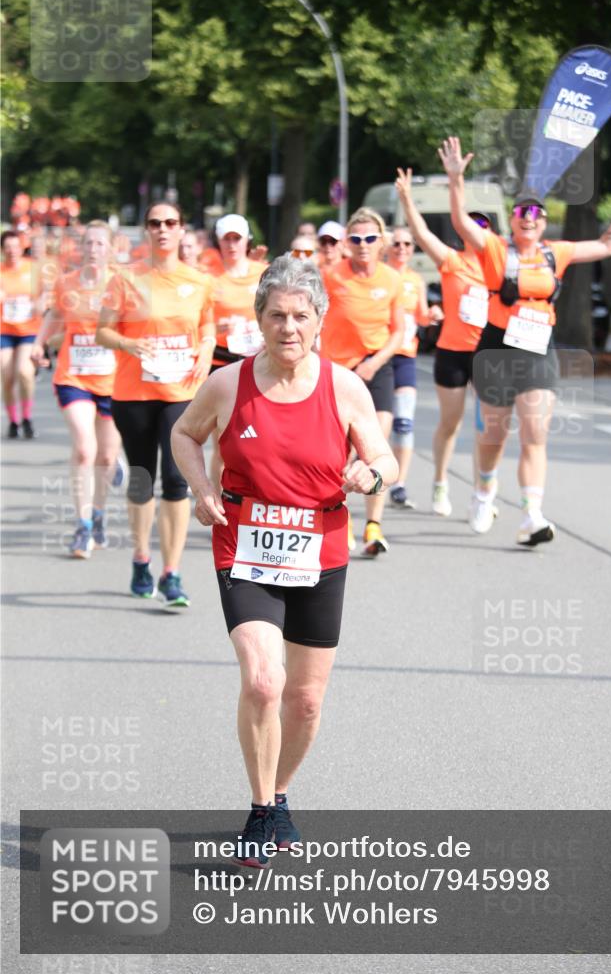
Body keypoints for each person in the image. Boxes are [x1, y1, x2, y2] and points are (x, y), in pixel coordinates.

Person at [171, 254, 398, 865]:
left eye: (301, 315)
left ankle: (280, 793)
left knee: (305, 699)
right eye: (277, 315)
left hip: (320, 548)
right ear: (258, 320)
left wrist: (369, 470)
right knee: (265, 680)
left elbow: (386, 460)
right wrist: (203, 488)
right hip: (244, 544)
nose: (289, 327)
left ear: (320, 320)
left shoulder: (344, 386)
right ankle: (261, 810)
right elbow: (185, 434)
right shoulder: (229, 383)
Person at [441, 135, 611, 545]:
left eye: (535, 212)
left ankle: (532, 514)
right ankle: (484, 491)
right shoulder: (495, 249)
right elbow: (462, 222)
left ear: (543, 219)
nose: (528, 218)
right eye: (521, 212)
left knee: (535, 432)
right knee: (493, 435)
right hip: (497, 347)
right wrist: (455, 179)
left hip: (538, 350)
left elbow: (607, 245)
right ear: (512, 219)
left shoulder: (557, 252)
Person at [96, 201, 217, 605]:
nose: (162, 229)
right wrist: (130, 343)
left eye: (170, 222)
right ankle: (141, 557)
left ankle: (172, 573)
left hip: (180, 395)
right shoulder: (125, 279)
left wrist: (206, 347)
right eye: (154, 223)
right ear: (146, 231)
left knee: (177, 481)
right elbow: (102, 333)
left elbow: (207, 324)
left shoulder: (198, 281)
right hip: (134, 394)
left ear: (182, 229)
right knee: (142, 479)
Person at [395, 167, 492, 516]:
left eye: (484, 226)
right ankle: (440, 483)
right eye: (471, 224)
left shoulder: (499, 266)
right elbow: (420, 234)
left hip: (488, 354)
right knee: (451, 423)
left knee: (486, 426)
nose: (477, 230)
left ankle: (484, 492)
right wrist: (407, 198)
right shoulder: (451, 261)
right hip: (452, 351)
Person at [31, 221, 121, 557]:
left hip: (114, 380)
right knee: (85, 449)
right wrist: (39, 344)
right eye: (89, 244)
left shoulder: (123, 284)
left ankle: (98, 516)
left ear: (111, 249)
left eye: (100, 244)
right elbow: (54, 315)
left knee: (107, 457)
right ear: (81, 248)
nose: (94, 249)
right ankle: (82, 527)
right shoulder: (67, 282)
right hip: (74, 376)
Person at [320, 207, 405, 556]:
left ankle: (374, 526)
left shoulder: (391, 279)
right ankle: (343, 521)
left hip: (377, 367)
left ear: (381, 241)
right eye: (355, 239)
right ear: (346, 244)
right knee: (341, 451)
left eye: (370, 238)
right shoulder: (330, 276)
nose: (363, 244)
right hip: (339, 372)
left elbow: (399, 331)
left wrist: (375, 362)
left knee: (376, 445)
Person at [208, 213, 268, 488]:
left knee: (260, 433)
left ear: (247, 241)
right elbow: (198, 321)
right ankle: (217, 500)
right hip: (222, 360)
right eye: (226, 239)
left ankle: (256, 492)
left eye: (236, 238)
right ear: (218, 242)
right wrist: (221, 323)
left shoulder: (263, 273)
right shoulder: (209, 279)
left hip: (258, 360)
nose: (231, 245)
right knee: (223, 436)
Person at [385, 225, 430, 509]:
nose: (402, 249)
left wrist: (433, 315)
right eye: (397, 244)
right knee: (376, 424)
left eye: (407, 245)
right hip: (379, 355)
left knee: (403, 422)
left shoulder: (416, 280)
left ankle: (399, 484)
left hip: (405, 355)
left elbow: (422, 316)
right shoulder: (381, 275)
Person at [1, 230, 43, 438]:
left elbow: (47, 296)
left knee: (24, 372)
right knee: (7, 376)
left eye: (16, 247)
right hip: (4, 330)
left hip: (28, 329)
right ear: (2, 250)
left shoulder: (33, 269)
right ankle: (13, 421)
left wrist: (39, 304)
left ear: (21, 248)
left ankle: (27, 417)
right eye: (8, 247)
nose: (12, 251)